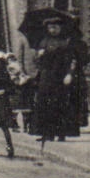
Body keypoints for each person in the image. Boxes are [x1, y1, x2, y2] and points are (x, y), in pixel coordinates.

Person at [33, 15, 79, 143]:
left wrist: (70, 74)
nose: (52, 30)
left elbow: (72, 60)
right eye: (50, 28)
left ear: (60, 28)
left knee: (59, 104)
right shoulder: (43, 42)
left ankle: (61, 133)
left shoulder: (66, 42)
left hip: (60, 76)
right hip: (46, 76)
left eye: (55, 27)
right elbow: (36, 61)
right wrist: (39, 56)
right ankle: (46, 133)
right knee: (44, 104)